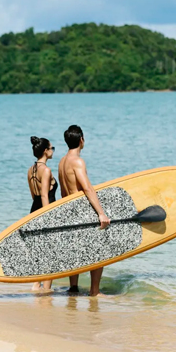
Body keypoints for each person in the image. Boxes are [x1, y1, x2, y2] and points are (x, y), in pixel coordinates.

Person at [58, 125, 111, 297]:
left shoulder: (62, 162)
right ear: (82, 140)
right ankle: (94, 292)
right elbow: (87, 188)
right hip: (82, 212)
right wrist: (101, 213)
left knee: (75, 251)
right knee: (99, 251)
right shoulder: (77, 162)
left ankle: (73, 288)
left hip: (68, 211)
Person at [27, 136, 57, 291]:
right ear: (45, 151)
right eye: (52, 148)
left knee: (39, 252)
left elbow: (35, 195)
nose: (53, 151)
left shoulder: (30, 170)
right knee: (50, 255)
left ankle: (36, 284)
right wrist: (48, 218)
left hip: (34, 211)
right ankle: (46, 290)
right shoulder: (46, 170)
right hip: (45, 212)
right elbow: (45, 195)